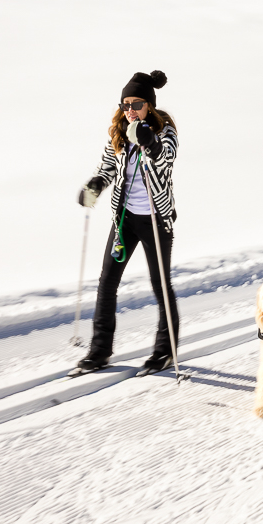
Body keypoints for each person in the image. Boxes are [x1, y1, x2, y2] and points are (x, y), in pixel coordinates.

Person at [70, 69, 179, 378]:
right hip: (125, 220)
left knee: (159, 285)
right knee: (107, 282)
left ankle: (165, 351)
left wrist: (150, 143)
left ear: (150, 106)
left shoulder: (165, 132)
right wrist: (94, 186)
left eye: (137, 104)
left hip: (156, 221)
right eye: (126, 104)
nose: (130, 110)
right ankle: (100, 351)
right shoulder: (119, 133)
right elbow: (107, 168)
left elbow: (166, 159)